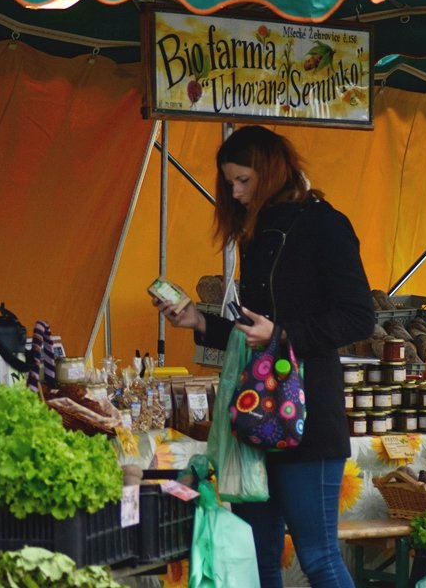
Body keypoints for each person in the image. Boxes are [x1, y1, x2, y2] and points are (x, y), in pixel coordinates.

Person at [154, 125, 374, 588]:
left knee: (318, 556)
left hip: (309, 418)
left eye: (243, 181)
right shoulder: (256, 234)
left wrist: (285, 334)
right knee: (258, 558)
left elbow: (358, 318)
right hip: (257, 423)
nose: (234, 193)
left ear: (272, 173)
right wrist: (199, 322)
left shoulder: (326, 225)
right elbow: (253, 331)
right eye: (229, 183)